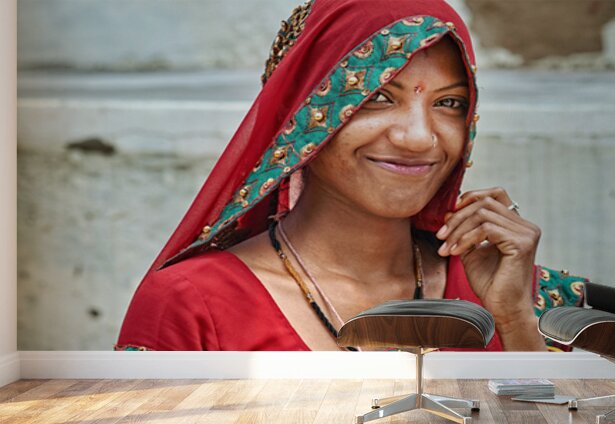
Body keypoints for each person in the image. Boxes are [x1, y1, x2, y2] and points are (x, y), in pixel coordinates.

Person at [116, 0, 585, 352]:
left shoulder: (516, 291)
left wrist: (515, 320)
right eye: (378, 97)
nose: (420, 138)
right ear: (303, 115)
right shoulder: (193, 303)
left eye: (449, 104)